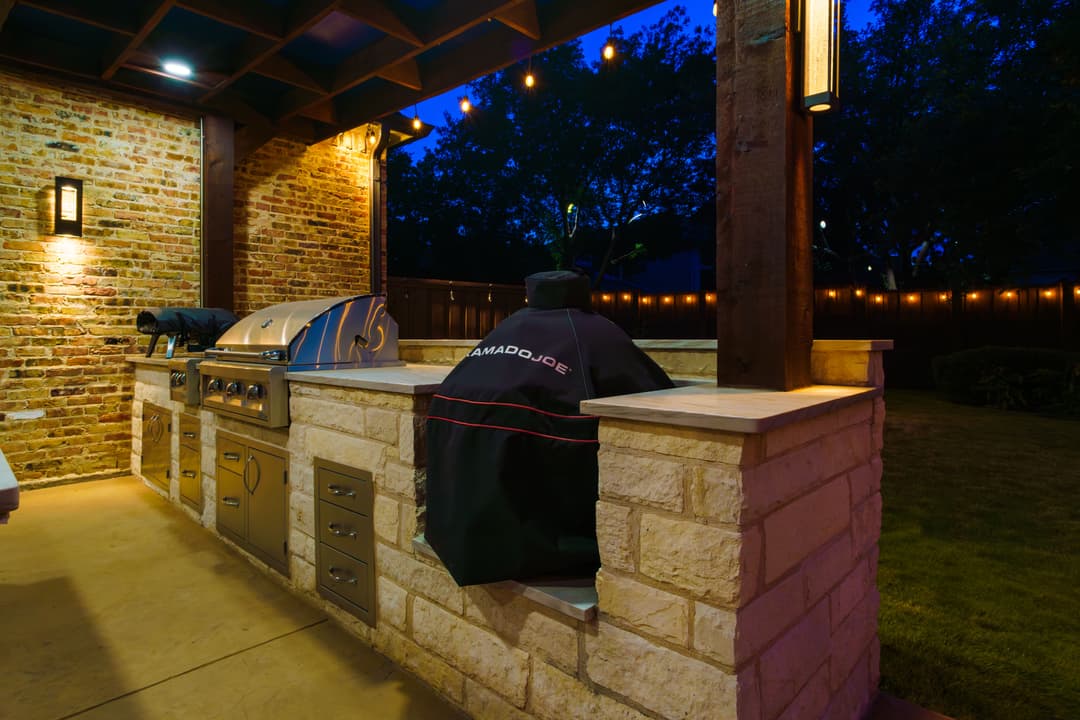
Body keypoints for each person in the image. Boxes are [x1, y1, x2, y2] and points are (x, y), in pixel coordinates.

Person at [425, 270, 673, 586]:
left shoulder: (504, 331)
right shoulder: (598, 334)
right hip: (538, 547)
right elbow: (659, 392)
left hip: (451, 532)